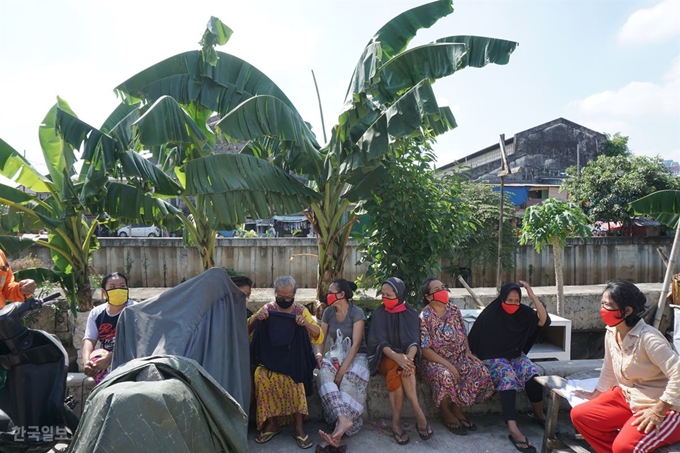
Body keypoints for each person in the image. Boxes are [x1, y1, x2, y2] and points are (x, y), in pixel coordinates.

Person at [571, 280, 680, 453]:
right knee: (581, 416)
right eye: (602, 304)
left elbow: (678, 374)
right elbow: (608, 368)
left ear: (627, 311)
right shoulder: (612, 331)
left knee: (624, 447)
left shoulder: (649, 339)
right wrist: (596, 394)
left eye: (608, 305)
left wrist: (659, 410)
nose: (603, 310)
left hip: (666, 407)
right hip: (630, 397)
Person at [467, 281, 550, 453]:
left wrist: (532, 296)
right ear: (502, 299)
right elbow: (473, 337)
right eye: (509, 300)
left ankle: (539, 414)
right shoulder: (490, 314)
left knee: (533, 375)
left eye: (516, 301)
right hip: (493, 357)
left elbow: (543, 320)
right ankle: (513, 427)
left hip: (515, 356)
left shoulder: (523, 313)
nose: (513, 304)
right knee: (508, 378)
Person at [248, 275, 324, 449]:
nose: (284, 300)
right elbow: (248, 331)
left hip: (293, 360)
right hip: (270, 361)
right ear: (275, 293)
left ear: (294, 295)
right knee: (260, 375)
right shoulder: (267, 309)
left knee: (296, 378)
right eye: (280, 297)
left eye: (288, 297)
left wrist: (304, 323)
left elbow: (318, 334)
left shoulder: (300, 310)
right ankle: (272, 423)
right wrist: (256, 318)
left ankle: (298, 427)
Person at [419, 278, 494, 435]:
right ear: (429, 297)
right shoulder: (425, 316)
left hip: (458, 356)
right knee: (445, 376)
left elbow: (462, 332)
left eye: (443, 287)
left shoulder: (453, 309)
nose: (443, 291)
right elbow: (425, 350)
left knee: (479, 370)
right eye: (437, 289)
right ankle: (445, 412)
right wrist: (450, 366)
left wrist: (467, 351)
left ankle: (458, 408)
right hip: (435, 361)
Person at [367, 277, 433, 446]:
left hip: (406, 358)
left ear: (399, 294)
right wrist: (398, 358)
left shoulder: (411, 313)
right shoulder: (379, 313)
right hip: (386, 358)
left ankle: (397, 422)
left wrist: (408, 359)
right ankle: (419, 415)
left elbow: (414, 342)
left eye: (389, 295)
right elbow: (379, 343)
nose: (385, 298)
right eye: (383, 294)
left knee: (401, 370)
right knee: (397, 366)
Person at [317, 279, 369, 448]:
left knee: (347, 381)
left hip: (357, 356)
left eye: (331, 291)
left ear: (341, 294)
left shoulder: (357, 312)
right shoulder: (328, 312)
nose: (328, 294)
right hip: (336, 354)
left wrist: (341, 371)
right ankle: (342, 421)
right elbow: (321, 338)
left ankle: (339, 428)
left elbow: (356, 344)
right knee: (324, 373)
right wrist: (319, 353)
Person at [82, 272, 135, 384]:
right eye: (112, 287)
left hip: (129, 357)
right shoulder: (96, 313)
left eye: (122, 286)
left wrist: (109, 358)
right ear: (104, 292)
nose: (118, 290)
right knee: (97, 356)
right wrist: (86, 362)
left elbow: (136, 343)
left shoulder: (135, 310)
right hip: (105, 358)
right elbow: (89, 340)